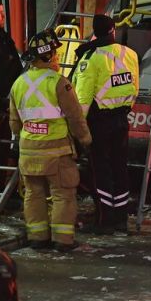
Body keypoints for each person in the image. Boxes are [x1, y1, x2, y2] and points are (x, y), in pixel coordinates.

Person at [9, 29, 92, 251]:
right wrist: (85, 140)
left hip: (28, 153)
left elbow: (14, 122)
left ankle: (38, 238)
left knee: (33, 195)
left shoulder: (18, 83)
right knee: (62, 195)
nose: (57, 57)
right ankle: (63, 241)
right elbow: (75, 118)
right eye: (54, 53)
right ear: (47, 56)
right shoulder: (59, 83)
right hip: (56, 154)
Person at [73, 14, 139, 234]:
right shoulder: (130, 54)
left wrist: (78, 130)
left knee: (100, 170)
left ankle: (105, 218)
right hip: (121, 119)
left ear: (95, 32)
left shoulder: (90, 59)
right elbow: (134, 88)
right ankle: (121, 217)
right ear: (113, 30)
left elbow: (82, 99)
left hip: (98, 121)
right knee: (120, 167)